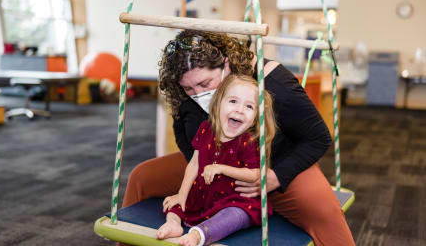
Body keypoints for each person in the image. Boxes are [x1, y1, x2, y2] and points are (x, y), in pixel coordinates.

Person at [123, 30, 355, 245]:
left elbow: (318, 138)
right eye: (189, 88)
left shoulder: (272, 82)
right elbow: (187, 142)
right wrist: (200, 185)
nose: (198, 94)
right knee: (141, 177)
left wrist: (276, 177)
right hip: (213, 167)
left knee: (325, 213)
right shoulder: (185, 95)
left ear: (226, 64)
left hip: (274, 168)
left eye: (205, 83)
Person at [156, 74, 276, 246]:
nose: (239, 110)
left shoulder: (248, 141)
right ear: (219, 102)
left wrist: (221, 168)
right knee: (174, 203)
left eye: (249, 106)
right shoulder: (206, 129)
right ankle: (173, 224)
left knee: (236, 215)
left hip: (233, 199)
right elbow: (194, 163)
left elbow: (255, 173)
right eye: (233, 101)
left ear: (256, 117)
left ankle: (201, 234)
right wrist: (182, 194)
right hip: (203, 195)